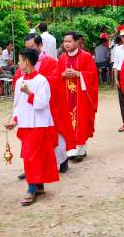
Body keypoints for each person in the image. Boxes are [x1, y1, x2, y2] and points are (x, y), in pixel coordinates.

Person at [6, 48, 59, 206]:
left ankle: (31, 188)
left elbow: (42, 103)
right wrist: (14, 121)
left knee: (32, 156)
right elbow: (17, 105)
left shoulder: (41, 80)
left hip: (39, 124)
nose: (18, 63)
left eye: (20, 60)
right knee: (31, 156)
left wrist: (29, 93)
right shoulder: (19, 82)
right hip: (25, 125)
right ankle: (37, 185)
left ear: (27, 62)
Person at [15, 34, 71, 174]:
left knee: (54, 136)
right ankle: (31, 165)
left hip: (49, 103)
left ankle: (61, 160)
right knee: (29, 137)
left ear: (40, 45)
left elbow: (56, 79)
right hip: (28, 106)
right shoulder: (24, 62)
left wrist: (38, 82)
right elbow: (18, 77)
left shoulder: (50, 61)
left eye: (32, 47)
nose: (30, 50)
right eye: (27, 47)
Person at [57, 32, 99, 161]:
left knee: (80, 122)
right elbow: (57, 75)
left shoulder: (86, 57)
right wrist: (62, 75)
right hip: (66, 96)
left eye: (69, 41)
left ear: (76, 42)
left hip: (81, 96)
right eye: (65, 41)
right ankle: (70, 151)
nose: (67, 44)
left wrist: (79, 74)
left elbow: (93, 75)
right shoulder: (62, 58)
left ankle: (81, 150)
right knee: (68, 122)